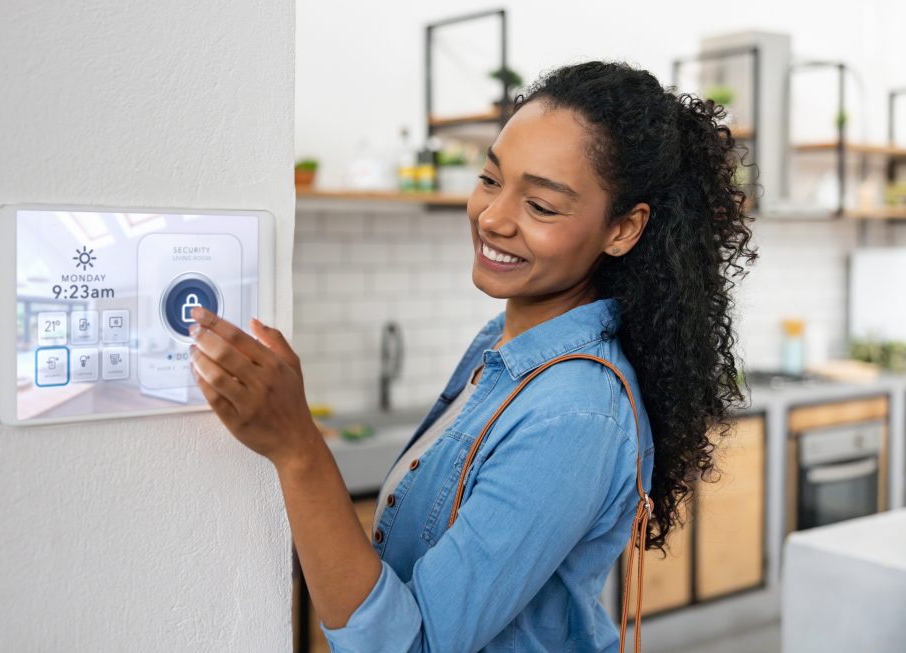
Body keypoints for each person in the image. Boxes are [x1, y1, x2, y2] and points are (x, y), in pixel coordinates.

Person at [186, 60, 758, 652]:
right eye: (491, 179)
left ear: (623, 229)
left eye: (540, 206)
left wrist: (297, 449)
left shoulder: (575, 414)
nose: (493, 217)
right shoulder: (501, 343)